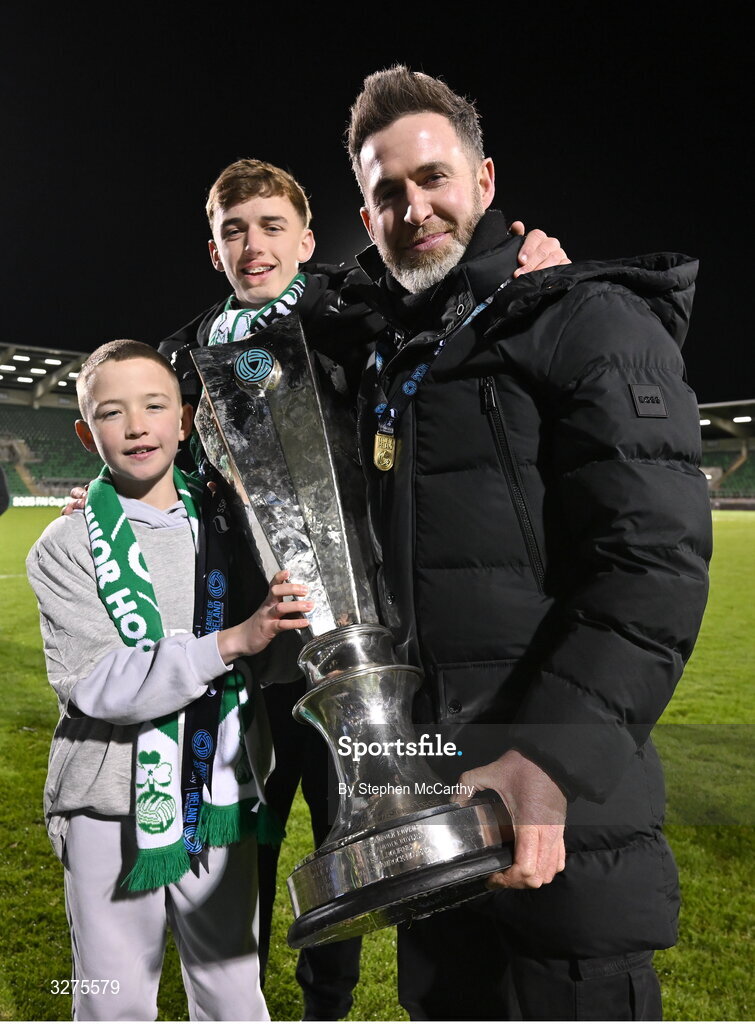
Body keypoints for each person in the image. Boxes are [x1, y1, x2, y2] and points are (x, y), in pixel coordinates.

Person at [158, 157, 569, 1021]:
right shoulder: (184, 355)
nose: (252, 244)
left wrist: (530, 261)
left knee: (355, 819)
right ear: (212, 248)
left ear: (308, 240)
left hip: (364, 639)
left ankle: (324, 1007)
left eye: (271, 226)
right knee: (248, 839)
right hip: (251, 649)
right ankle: (238, 1000)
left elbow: (452, 286)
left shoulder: (352, 308)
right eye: (233, 230)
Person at [344, 66, 712, 1021]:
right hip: (437, 815)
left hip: (563, 825)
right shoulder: (404, 354)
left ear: (485, 179)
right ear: (363, 211)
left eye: (433, 178)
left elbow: (651, 562)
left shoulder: (586, 315)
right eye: (387, 193)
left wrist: (545, 762)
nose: (413, 207)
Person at [26, 339, 312, 1022]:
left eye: (154, 406)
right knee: (113, 1002)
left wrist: (292, 625)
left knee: (232, 995)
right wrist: (231, 640)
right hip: (106, 803)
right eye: (111, 413)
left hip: (217, 790)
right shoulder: (64, 547)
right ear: (83, 432)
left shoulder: (230, 526)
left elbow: (268, 661)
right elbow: (100, 686)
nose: (135, 426)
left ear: (184, 421)